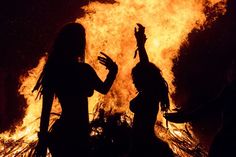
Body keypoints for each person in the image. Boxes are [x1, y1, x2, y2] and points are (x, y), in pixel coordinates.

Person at [33, 22, 118, 157]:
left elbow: (46, 110)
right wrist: (113, 71)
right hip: (77, 135)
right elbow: (103, 88)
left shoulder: (54, 71)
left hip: (62, 134)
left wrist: (43, 140)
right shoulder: (84, 70)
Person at [129, 23, 173, 157]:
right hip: (142, 142)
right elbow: (145, 67)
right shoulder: (150, 93)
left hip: (143, 144)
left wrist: (141, 45)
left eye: (135, 78)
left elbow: (145, 67)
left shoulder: (148, 95)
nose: (133, 81)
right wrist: (140, 44)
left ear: (143, 79)